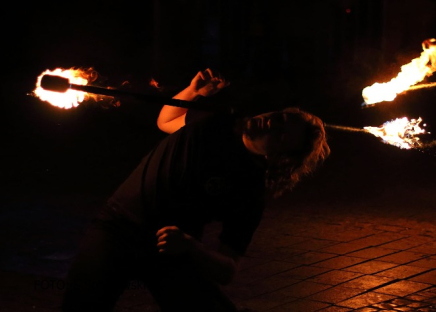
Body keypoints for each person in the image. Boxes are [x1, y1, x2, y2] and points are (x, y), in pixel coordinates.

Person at [61, 68, 331, 311]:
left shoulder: (250, 190)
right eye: (281, 117)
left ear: (281, 156)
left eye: (283, 134)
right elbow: (167, 122)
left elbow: (227, 270)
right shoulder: (217, 121)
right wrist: (192, 92)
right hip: (117, 225)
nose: (272, 122)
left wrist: (191, 247)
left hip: (170, 248)